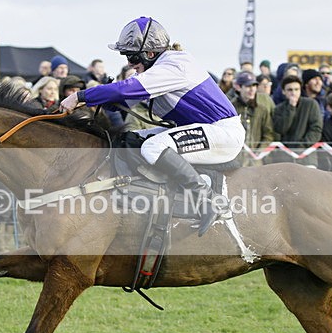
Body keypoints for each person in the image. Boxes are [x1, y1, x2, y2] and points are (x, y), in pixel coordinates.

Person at [59, 16, 244, 236]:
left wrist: (81, 96)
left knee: (152, 147)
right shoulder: (158, 70)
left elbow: (124, 90)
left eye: (131, 56)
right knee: (132, 139)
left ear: (149, 53)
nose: (129, 62)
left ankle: (208, 200)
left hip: (222, 133)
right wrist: (103, 98)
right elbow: (119, 104)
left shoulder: (174, 64)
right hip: (204, 130)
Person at [272, 74, 323, 167]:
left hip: (307, 157)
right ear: (283, 91)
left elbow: (316, 129)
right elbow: (280, 129)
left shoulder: (311, 104)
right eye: (289, 90)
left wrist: (301, 146)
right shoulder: (278, 109)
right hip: (286, 158)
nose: (293, 93)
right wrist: (291, 108)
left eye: (296, 89)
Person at [228, 71, 275, 164]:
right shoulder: (230, 108)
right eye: (248, 86)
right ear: (238, 87)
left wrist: (259, 152)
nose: (252, 89)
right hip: (235, 161)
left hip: (256, 162)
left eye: (254, 86)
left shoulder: (262, 109)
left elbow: (269, 134)